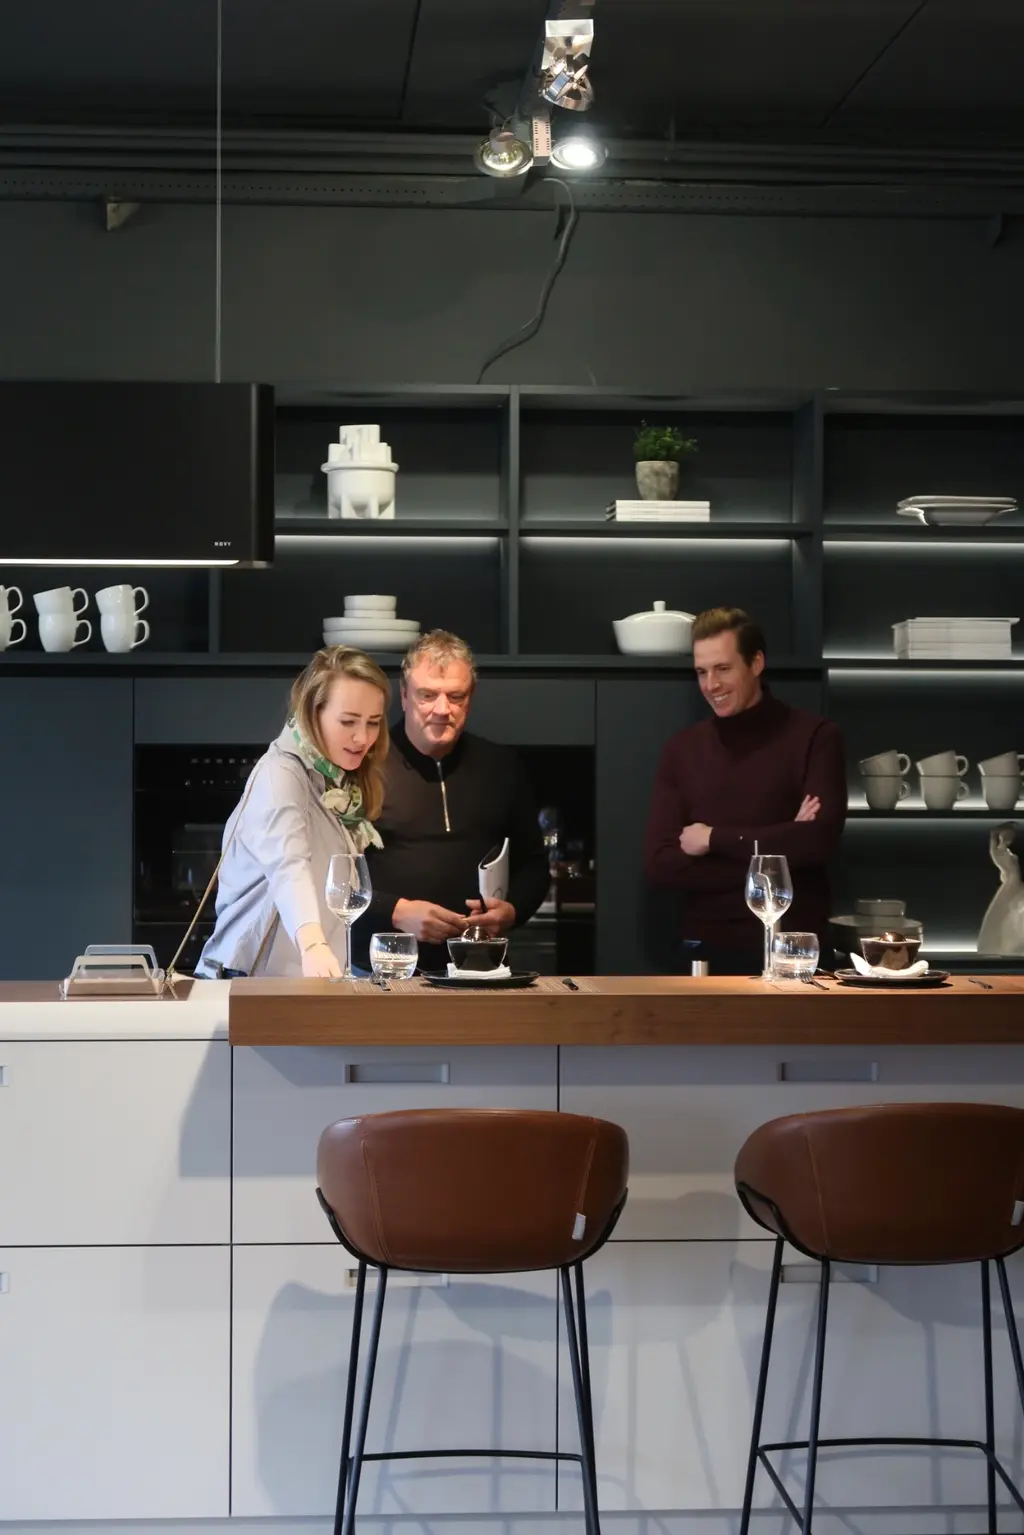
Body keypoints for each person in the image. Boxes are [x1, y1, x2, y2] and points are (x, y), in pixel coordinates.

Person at [644, 606, 847, 973]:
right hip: (704, 958)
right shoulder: (682, 750)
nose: (711, 685)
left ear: (756, 663)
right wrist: (780, 861)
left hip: (795, 953)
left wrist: (713, 840)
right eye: (701, 672)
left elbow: (818, 842)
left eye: (723, 669)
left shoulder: (815, 737)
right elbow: (662, 865)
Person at [352, 630, 550, 974]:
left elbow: (534, 865)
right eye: (427, 695)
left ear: (470, 697)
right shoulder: (363, 765)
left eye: (455, 696)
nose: (442, 710)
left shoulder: (501, 766)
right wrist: (396, 911)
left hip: (480, 970)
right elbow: (333, 878)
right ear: (403, 695)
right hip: (381, 970)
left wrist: (513, 911)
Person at [195, 646, 390, 979]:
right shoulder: (280, 774)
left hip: (299, 983)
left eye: (373, 723)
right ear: (313, 713)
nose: (362, 738)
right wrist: (313, 946)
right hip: (246, 979)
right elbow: (289, 865)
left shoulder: (335, 781)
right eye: (348, 722)